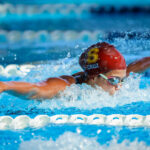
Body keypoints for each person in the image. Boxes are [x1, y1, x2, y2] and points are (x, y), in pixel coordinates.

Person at [0, 42, 149, 100]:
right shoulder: (67, 86)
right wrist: (5, 86)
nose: (119, 87)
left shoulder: (113, 77)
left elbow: (133, 68)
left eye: (121, 80)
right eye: (114, 80)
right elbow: (37, 90)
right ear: (93, 77)